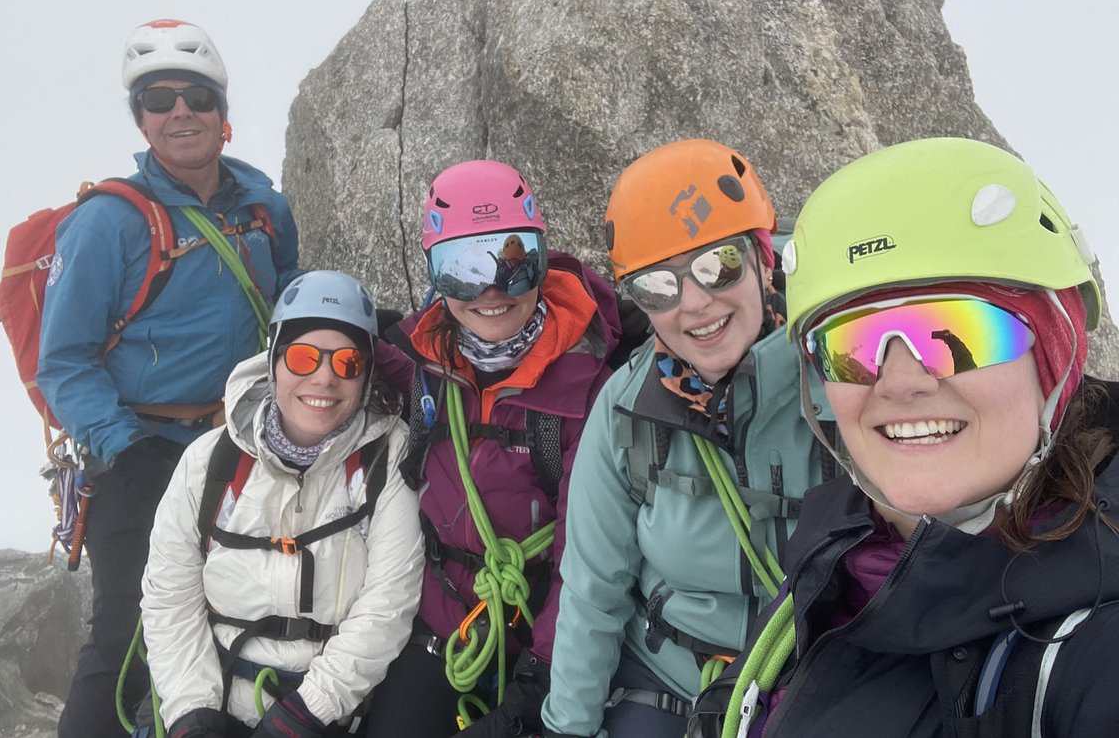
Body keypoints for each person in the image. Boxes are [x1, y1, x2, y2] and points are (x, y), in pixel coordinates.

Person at [688, 136, 1119, 737]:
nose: (900, 382)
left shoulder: (1090, 656)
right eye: (850, 346)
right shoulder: (840, 548)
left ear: (1056, 360)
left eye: (958, 331)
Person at [37, 19, 302, 736]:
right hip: (138, 448)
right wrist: (126, 446)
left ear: (222, 112)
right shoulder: (107, 223)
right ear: (141, 118)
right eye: (159, 98)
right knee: (131, 631)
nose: (180, 110)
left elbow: (287, 303)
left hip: (240, 444)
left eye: (196, 96)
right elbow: (61, 359)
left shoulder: (262, 209)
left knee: (243, 620)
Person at [541, 139, 830, 738]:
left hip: (813, 676)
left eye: (718, 264)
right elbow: (594, 593)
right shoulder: (627, 408)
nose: (695, 303)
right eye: (658, 287)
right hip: (669, 680)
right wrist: (567, 729)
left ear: (762, 259)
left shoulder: (836, 380)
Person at [363, 160, 622, 738]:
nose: (488, 291)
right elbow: (325, 372)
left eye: (512, 263)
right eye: (459, 269)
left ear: (539, 259)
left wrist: (541, 675)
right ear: (434, 276)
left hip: (540, 636)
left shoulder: (591, 385)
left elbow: (590, 558)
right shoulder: (422, 363)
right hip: (439, 628)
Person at [141, 270, 424, 737]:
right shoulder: (210, 461)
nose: (325, 378)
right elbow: (170, 597)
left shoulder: (387, 458)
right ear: (274, 359)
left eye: (349, 362)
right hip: (214, 696)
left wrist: (307, 713)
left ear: (368, 371)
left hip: (327, 712)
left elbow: (388, 603)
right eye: (303, 357)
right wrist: (192, 714)